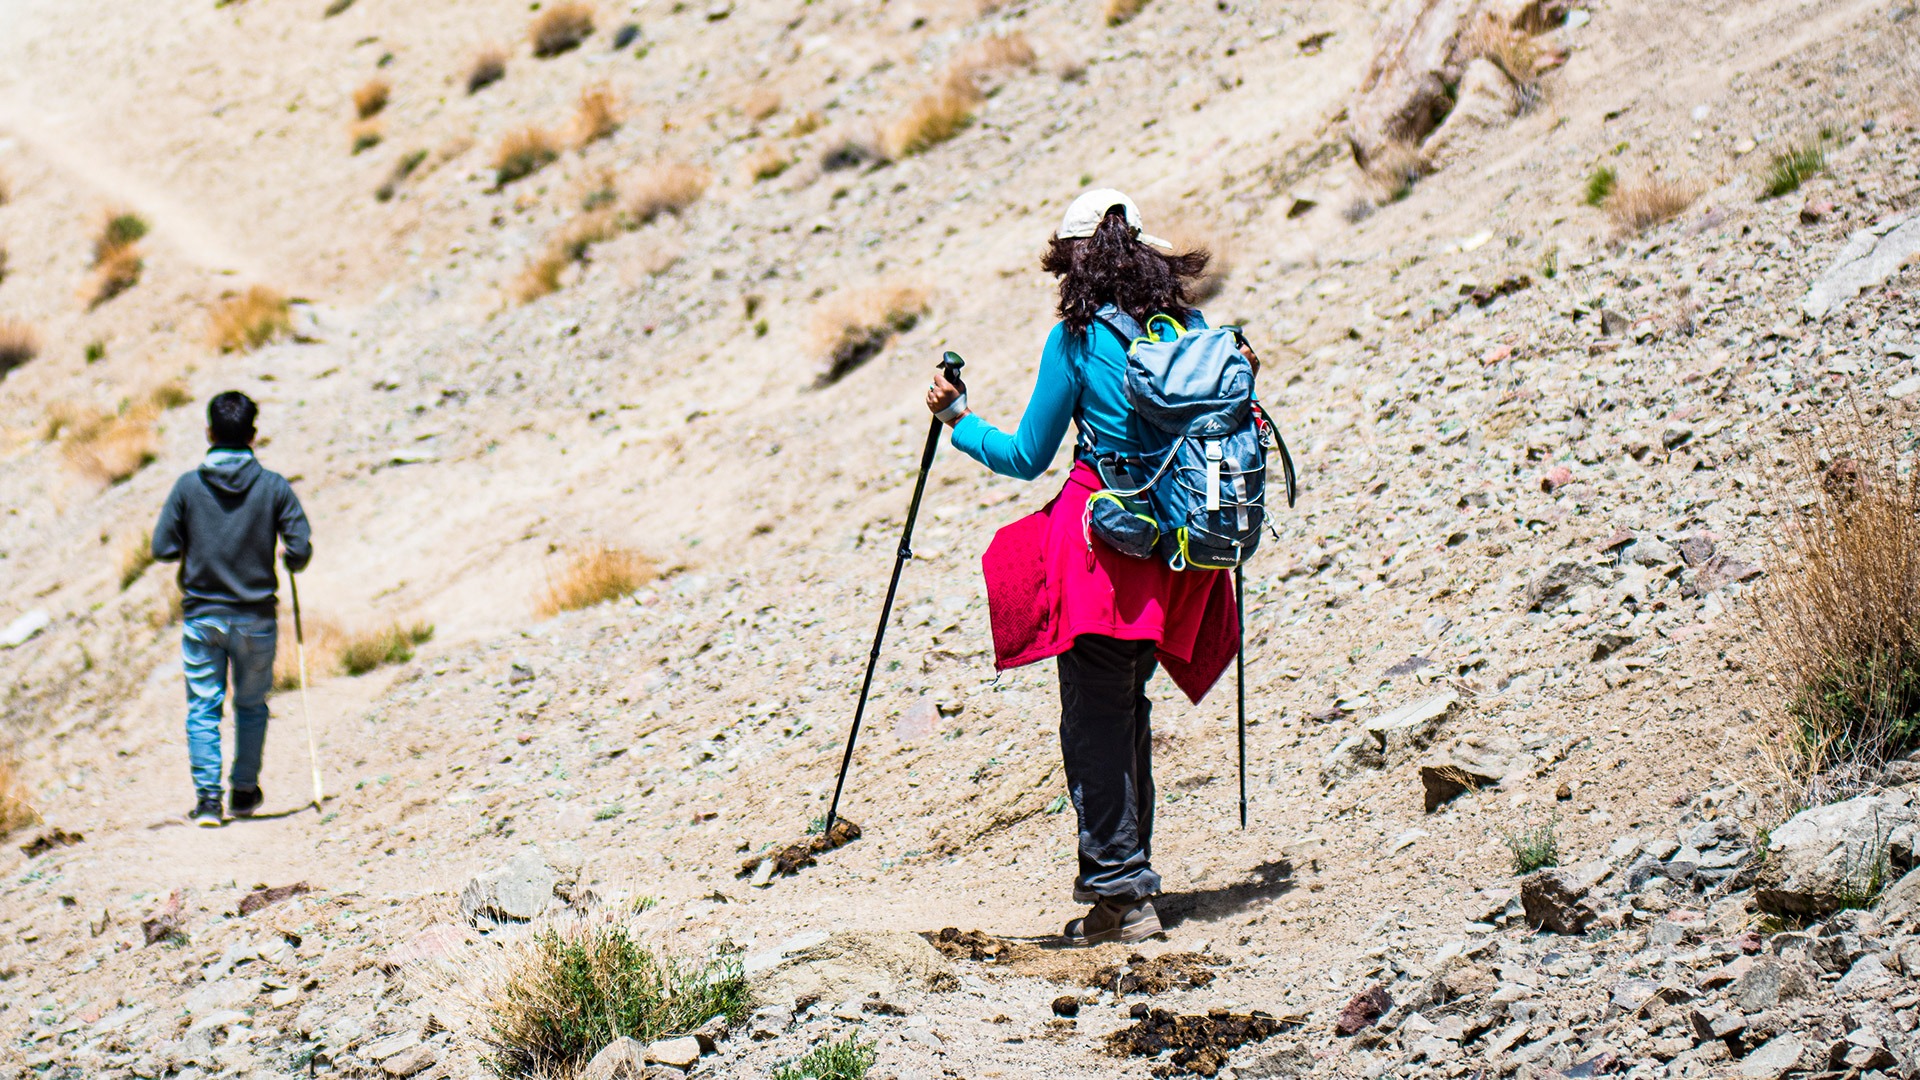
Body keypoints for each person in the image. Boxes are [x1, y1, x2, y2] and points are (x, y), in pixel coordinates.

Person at [926, 189, 1247, 945]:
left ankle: (1122, 895)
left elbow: (1026, 456)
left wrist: (956, 421)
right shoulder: (1189, 330)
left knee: (1096, 726)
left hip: (1102, 560)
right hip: (1176, 558)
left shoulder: (1075, 340)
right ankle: (1126, 878)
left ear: (1074, 264)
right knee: (1125, 713)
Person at [152, 391, 312, 827]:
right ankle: (244, 791)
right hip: (257, 616)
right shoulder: (274, 486)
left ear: (208, 433)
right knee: (251, 703)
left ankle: (207, 801)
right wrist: (289, 559)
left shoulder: (187, 487)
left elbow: (162, 547)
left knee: (203, 706)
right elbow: (299, 547)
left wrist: (196, 537)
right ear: (253, 436)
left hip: (203, 615)